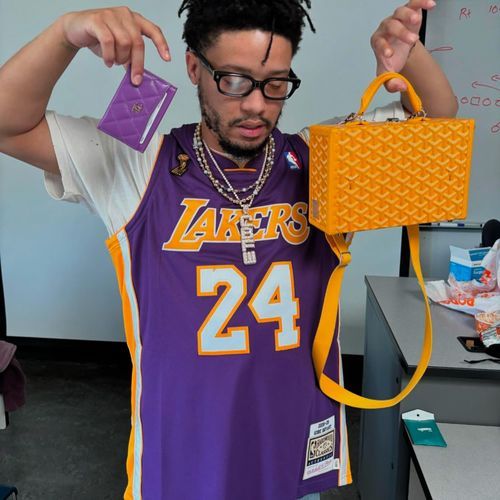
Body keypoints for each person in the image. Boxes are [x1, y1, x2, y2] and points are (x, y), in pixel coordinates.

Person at [0, 1, 457, 499]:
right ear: (195, 68)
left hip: (292, 441)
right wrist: (65, 34)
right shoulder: (136, 163)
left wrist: (409, 55)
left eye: (275, 83)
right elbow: (8, 125)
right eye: (235, 81)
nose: (257, 105)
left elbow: (437, 121)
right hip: (185, 451)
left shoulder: (322, 161)